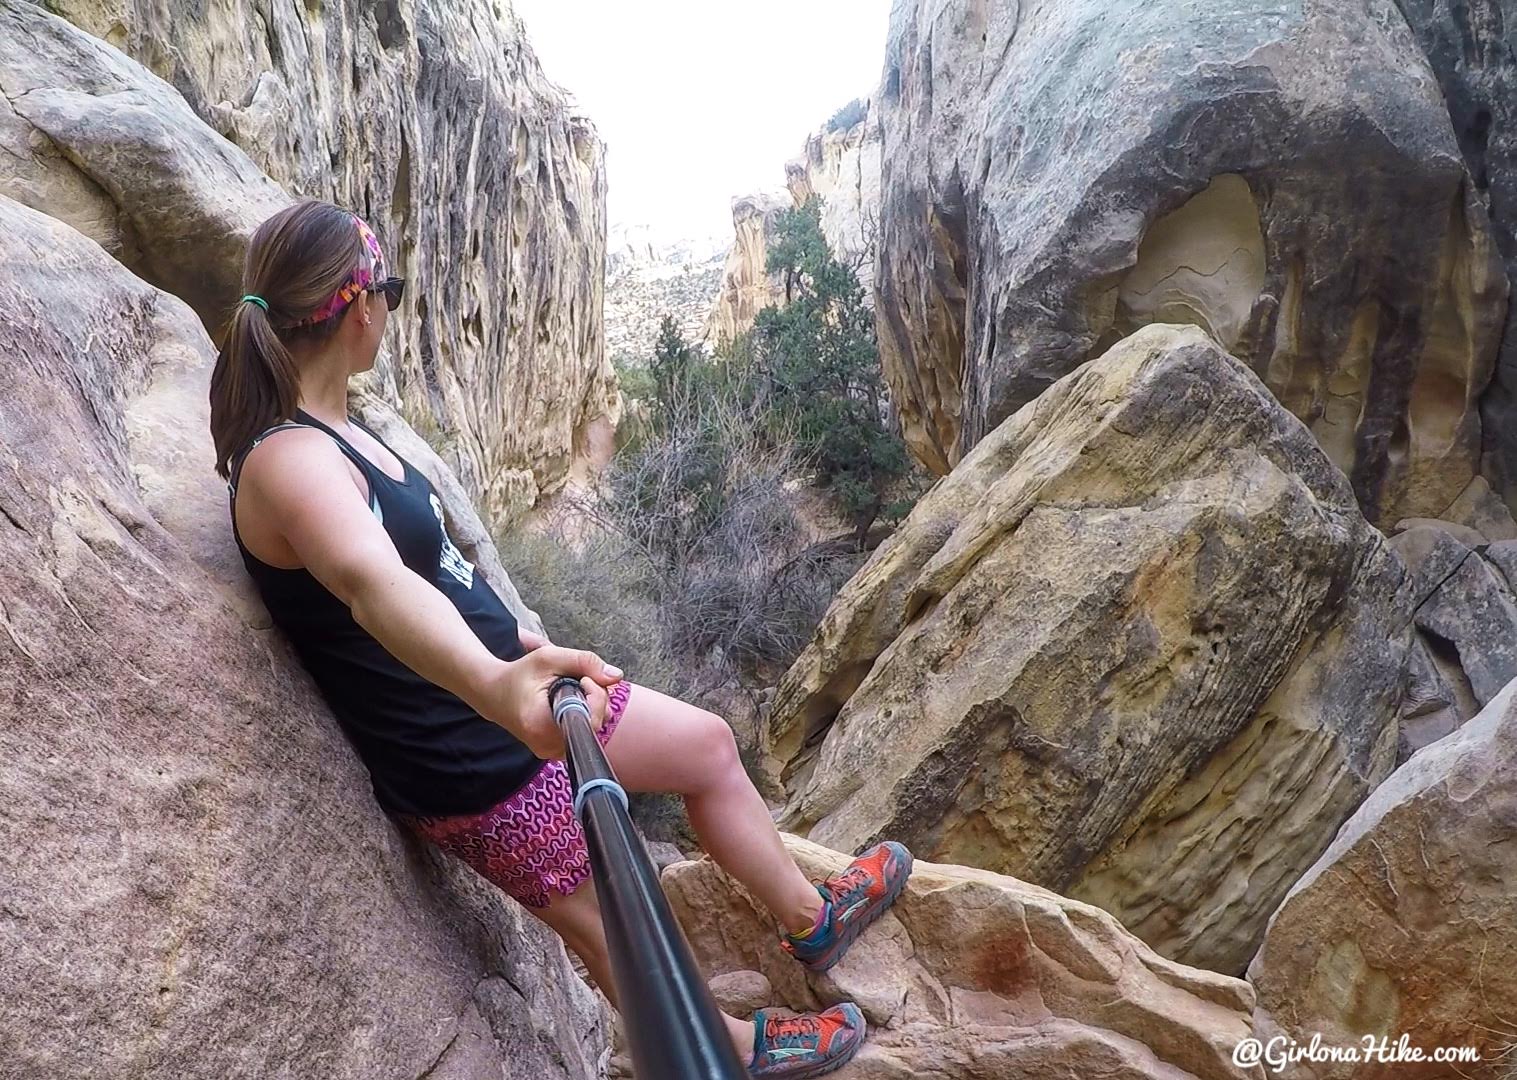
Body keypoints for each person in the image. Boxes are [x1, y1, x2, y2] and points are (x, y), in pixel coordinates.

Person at [210, 199, 914, 1078]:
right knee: (606, 906)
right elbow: (372, 584)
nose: (389, 309)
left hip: (520, 696)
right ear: (360, 306)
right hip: (464, 740)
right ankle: (728, 1051)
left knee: (703, 746)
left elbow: (429, 573)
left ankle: (812, 921)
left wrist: (520, 645)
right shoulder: (289, 460)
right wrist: (496, 686)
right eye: (387, 290)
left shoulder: (337, 432)